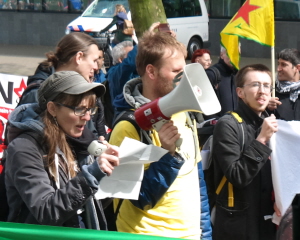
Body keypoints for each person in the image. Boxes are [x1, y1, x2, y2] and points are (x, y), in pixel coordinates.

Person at [109, 29, 210, 239]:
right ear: (151, 72)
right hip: (146, 234)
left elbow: (197, 181)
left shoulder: (186, 115)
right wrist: (167, 156)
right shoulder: (129, 127)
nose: (184, 79)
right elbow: (138, 197)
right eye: (175, 72)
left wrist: (205, 233)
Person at [5, 71, 119, 228]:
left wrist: (110, 173)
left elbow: (89, 204)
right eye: (79, 109)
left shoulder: (82, 143)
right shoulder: (24, 148)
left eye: (90, 109)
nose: (87, 117)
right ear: (52, 108)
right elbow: (46, 212)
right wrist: (90, 175)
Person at [212, 64, 279, 240]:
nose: (263, 91)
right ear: (240, 92)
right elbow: (237, 175)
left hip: (268, 223)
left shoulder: (271, 123)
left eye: (267, 85)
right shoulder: (228, 124)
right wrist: (262, 140)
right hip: (239, 226)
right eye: (255, 85)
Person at [17, 32, 105, 138]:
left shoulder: (87, 90)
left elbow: (91, 135)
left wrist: (98, 146)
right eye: (94, 60)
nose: (96, 67)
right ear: (79, 57)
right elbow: (28, 140)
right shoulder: (37, 94)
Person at [205, 46, 239, 119]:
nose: (234, 57)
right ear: (221, 55)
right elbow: (203, 104)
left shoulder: (239, 75)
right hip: (217, 126)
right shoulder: (211, 74)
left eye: (238, 54)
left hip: (236, 126)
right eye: (230, 53)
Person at [268, 48, 300, 120]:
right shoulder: (270, 90)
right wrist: (265, 106)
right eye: (278, 64)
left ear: (297, 68)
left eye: (284, 65)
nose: (278, 69)